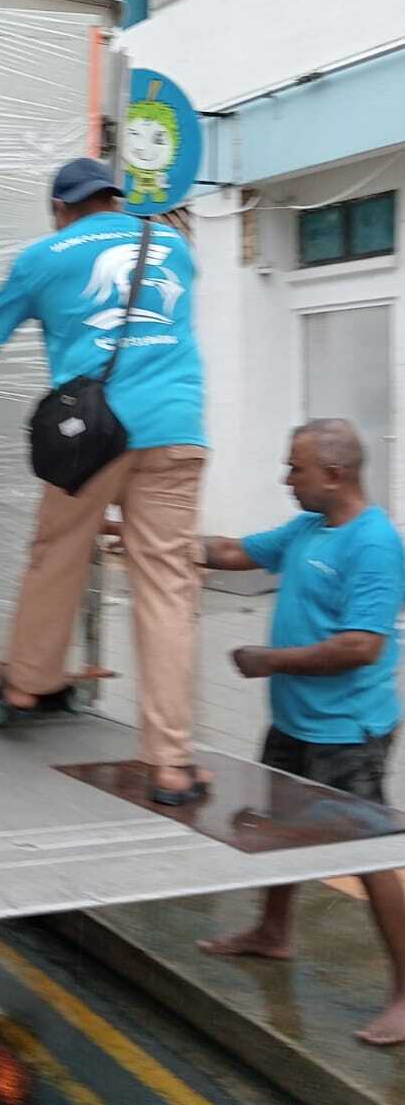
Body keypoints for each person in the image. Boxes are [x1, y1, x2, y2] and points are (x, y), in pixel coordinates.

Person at [0, 157, 207, 804]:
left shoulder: (45, 255)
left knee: (58, 556)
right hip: (177, 427)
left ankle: (25, 683)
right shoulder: (172, 245)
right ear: (113, 199)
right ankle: (172, 762)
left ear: (60, 208)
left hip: (93, 435)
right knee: (168, 591)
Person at [198, 418, 405, 1046]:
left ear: (335, 474)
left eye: (297, 468)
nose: (287, 479)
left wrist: (269, 661)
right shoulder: (311, 527)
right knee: (277, 827)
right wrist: (144, 533)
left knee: (369, 854)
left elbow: (362, 646)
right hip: (294, 721)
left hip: (347, 729)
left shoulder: (374, 544)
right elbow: (235, 553)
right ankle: (274, 932)